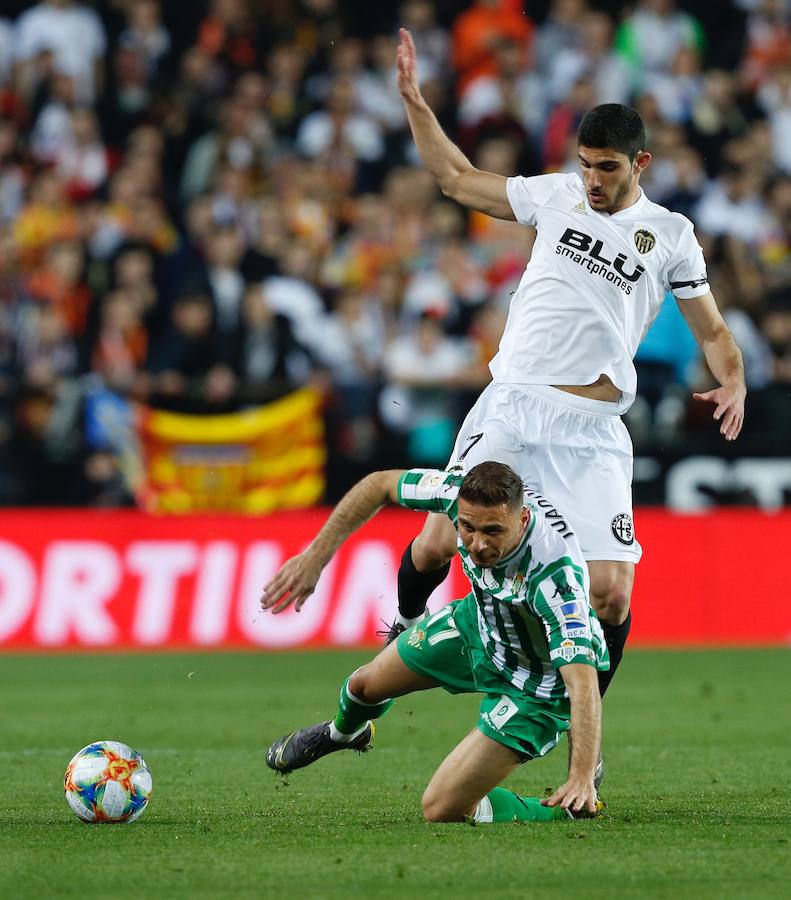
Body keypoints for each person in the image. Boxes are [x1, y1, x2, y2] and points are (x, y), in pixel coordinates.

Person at [388, 30, 746, 706]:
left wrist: (733, 378)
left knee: (610, 593)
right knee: (437, 544)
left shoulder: (670, 236)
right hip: (513, 406)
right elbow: (457, 179)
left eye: (606, 167)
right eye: (584, 165)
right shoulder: (555, 196)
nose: (591, 180)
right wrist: (415, 102)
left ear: (639, 162)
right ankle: (402, 627)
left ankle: (577, 729)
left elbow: (715, 330)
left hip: (592, 428)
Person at [262, 461, 608, 823]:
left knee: (442, 808)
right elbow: (379, 483)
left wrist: (582, 776)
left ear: (522, 520)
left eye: (493, 531)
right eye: (468, 527)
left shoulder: (557, 578)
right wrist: (315, 558)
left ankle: (568, 810)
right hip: (478, 626)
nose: (477, 544)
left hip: (537, 688)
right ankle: (345, 733)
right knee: (362, 686)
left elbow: (583, 685)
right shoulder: (452, 493)